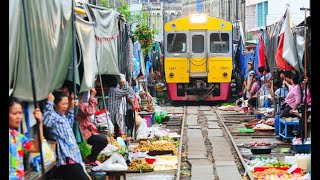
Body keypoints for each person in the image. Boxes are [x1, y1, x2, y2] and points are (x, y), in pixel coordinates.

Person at [43, 91, 90, 180]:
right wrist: (49, 102)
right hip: (66, 160)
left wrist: (71, 108)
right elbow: (46, 121)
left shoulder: (62, 117)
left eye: (66, 104)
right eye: (63, 104)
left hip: (74, 157)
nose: (65, 106)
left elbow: (69, 124)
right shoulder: (52, 116)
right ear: (55, 104)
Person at [9, 97, 44, 180]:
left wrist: (40, 123)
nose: (18, 117)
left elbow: (36, 148)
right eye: (14, 113)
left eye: (20, 113)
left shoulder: (18, 136)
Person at [77, 88, 107, 166]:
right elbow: (89, 111)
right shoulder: (76, 104)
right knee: (102, 140)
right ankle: (90, 158)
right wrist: (92, 96)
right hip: (81, 133)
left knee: (102, 139)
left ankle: (90, 158)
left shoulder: (79, 102)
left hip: (87, 131)